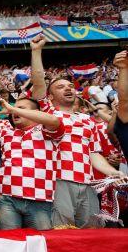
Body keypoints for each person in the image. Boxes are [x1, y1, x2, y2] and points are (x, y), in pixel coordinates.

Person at [31, 38, 124, 227]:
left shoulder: (87, 120)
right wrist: (36, 51)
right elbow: (39, 81)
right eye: (61, 87)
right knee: (62, 230)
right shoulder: (48, 113)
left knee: (93, 231)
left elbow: (93, 154)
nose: (68, 88)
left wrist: (114, 172)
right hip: (58, 181)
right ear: (50, 96)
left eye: (71, 86)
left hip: (87, 182)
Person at [0, 98, 63, 230]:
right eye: (13, 109)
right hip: (6, 199)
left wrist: (13, 109)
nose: (14, 112)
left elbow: (54, 121)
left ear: (36, 112)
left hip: (40, 200)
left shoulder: (46, 131)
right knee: (8, 240)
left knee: (40, 241)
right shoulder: (5, 133)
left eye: (21, 109)